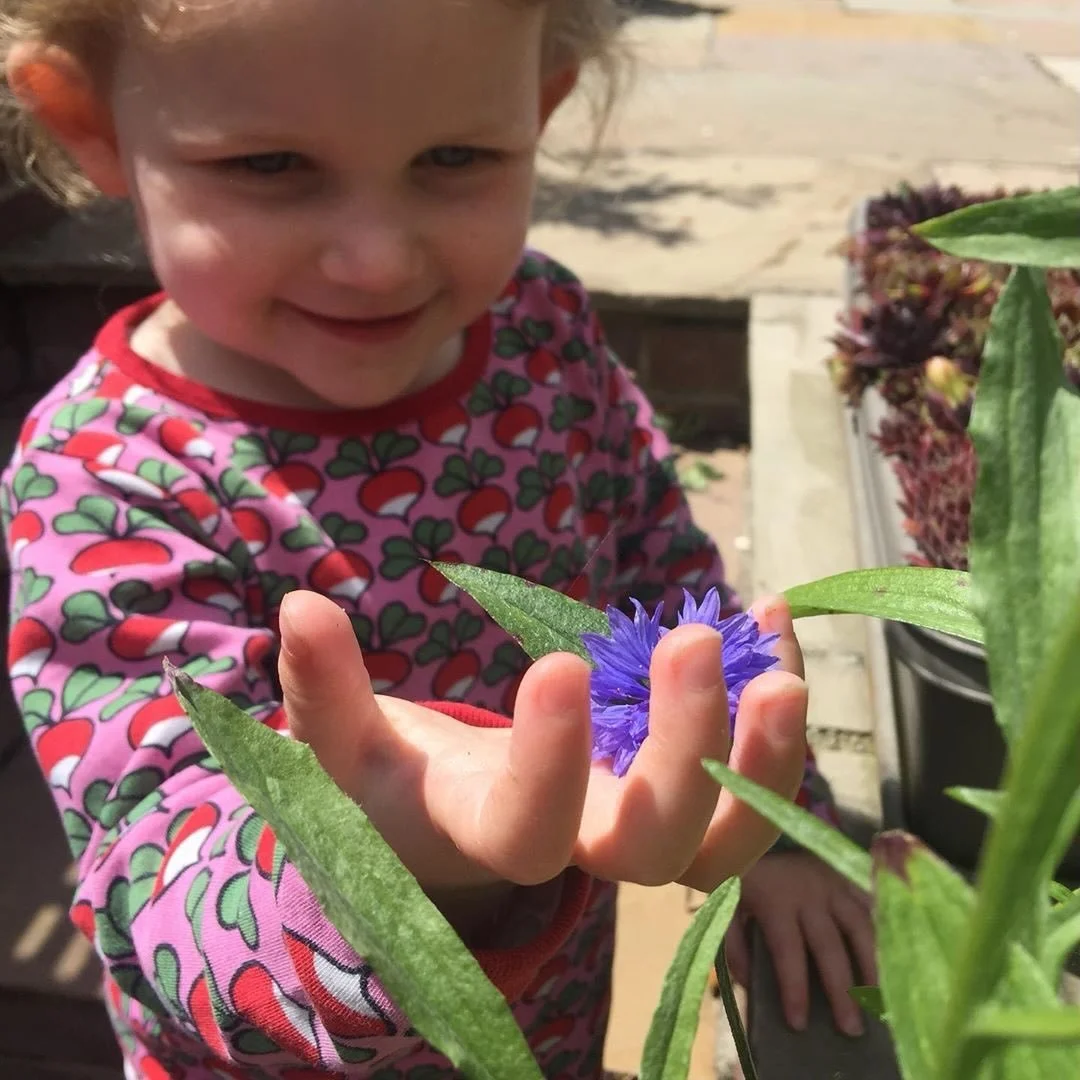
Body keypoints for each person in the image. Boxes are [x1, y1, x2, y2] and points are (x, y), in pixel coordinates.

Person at [0, 0, 875, 1076]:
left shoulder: (542, 334)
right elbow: (153, 867)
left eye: (455, 156)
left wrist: (782, 823)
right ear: (88, 122)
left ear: (540, 104)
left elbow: (666, 582)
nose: (375, 259)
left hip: (556, 1021)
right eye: (271, 165)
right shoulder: (106, 478)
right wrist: (408, 878)